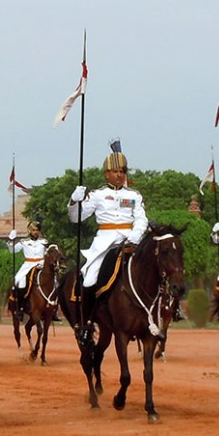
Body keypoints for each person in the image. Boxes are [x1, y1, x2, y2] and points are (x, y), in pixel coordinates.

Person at [68, 140, 148, 347]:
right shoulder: (97, 195)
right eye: (115, 171)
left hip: (131, 239)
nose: (119, 175)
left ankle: (156, 315)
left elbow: (141, 219)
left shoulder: (134, 195)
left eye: (122, 171)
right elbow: (76, 218)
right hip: (104, 242)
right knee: (88, 278)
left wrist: (135, 236)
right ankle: (86, 325)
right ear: (106, 174)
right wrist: (74, 201)